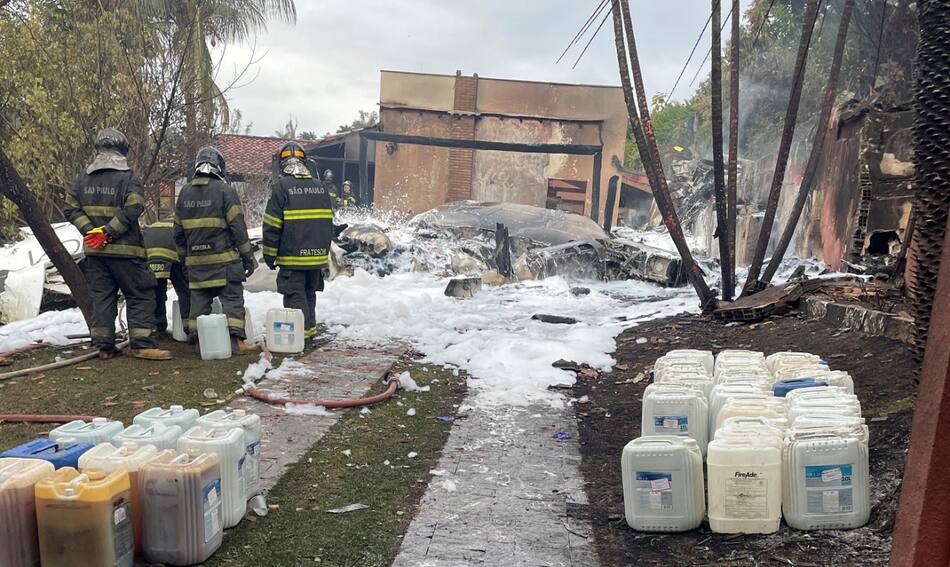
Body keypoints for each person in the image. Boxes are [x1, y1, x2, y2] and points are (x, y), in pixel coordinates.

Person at [64, 128, 171, 360]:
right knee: (140, 293)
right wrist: (109, 232)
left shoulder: (82, 179)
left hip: (96, 253)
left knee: (103, 296)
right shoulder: (129, 178)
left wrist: (92, 232)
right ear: (123, 150)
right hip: (126, 252)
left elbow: (70, 208)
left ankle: (103, 345)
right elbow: (134, 207)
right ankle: (143, 345)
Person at [174, 147, 258, 355]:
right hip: (224, 264)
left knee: (199, 303)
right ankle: (236, 342)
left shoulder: (184, 193)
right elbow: (238, 228)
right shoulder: (224, 190)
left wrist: (184, 259)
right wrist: (248, 257)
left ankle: (197, 343)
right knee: (232, 299)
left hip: (196, 265)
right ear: (219, 166)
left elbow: (178, 232)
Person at [263, 142, 334, 344]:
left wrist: (269, 255)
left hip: (293, 257)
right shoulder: (321, 188)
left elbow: (272, 226)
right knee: (309, 293)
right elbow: (328, 223)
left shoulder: (281, 188)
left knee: (295, 295)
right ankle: (309, 334)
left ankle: (298, 339)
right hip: (316, 258)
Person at [143, 219, 190, 338]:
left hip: (150, 255)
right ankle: (189, 329)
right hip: (172, 254)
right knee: (184, 290)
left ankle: (158, 327)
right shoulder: (181, 225)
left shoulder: (154, 226)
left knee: (157, 291)